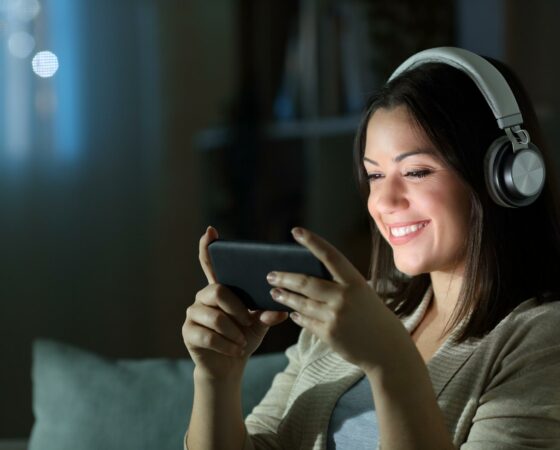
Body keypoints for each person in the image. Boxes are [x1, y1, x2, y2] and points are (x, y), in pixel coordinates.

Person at [182, 47, 560, 449]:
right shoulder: (357, 309)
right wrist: (217, 378)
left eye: (416, 171)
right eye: (374, 175)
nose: (383, 201)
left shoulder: (542, 339)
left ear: (508, 176)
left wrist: (391, 363)